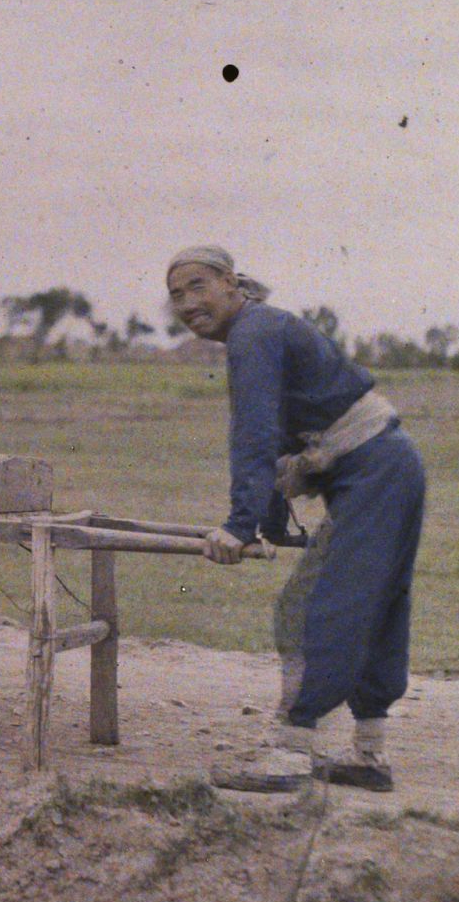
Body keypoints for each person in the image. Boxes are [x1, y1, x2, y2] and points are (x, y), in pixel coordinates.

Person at [166, 246, 426, 793]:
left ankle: (289, 753)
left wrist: (239, 526)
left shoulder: (252, 334)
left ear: (231, 282)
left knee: (312, 606)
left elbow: (254, 435)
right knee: (376, 608)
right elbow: (283, 443)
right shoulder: (262, 329)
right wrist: (264, 521)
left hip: (375, 470)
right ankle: (369, 757)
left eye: (197, 286)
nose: (188, 303)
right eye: (176, 295)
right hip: (387, 465)